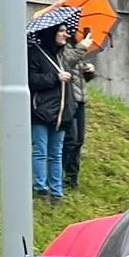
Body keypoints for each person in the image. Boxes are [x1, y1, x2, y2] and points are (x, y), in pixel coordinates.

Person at [28, 21, 74, 204]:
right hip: (42, 111)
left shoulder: (62, 57)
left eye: (66, 31)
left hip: (62, 112)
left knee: (56, 153)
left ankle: (57, 192)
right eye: (61, 31)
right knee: (40, 151)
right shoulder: (36, 54)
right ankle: (40, 188)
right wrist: (55, 77)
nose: (65, 34)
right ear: (51, 33)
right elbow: (32, 80)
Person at [61, 29, 97, 192]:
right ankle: (61, 176)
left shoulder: (76, 45)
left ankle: (72, 180)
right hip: (68, 98)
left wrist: (89, 71)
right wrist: (81, 48)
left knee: (79, 140)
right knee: (71, 139)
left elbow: (79, 74)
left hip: (81, 98)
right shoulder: (63, 47)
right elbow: (66, 62)